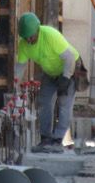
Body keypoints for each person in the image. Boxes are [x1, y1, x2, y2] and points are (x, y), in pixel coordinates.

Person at [15, 12, 82, 153]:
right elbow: (20, 67)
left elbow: (69, 57)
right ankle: (45, 138)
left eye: (31, 37)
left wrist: (65, 78)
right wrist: (15, 85)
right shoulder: (24, 45)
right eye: (26, 38)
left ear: (38, 30)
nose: (29, 40)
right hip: (50, 72)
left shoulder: (50, 35)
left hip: (69, 68)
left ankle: (57, 140)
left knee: (64, 103)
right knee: (44, 101)